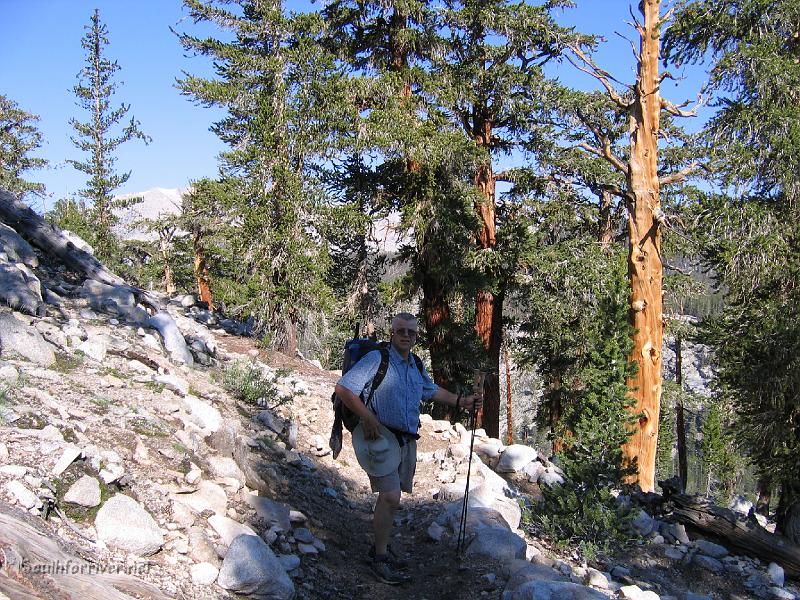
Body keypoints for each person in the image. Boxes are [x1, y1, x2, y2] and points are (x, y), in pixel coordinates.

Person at [334, 312, 482, 585]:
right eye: (401, 331)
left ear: (416, 336)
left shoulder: (415, 364)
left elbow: (431, 390)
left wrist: (461, 401)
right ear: (392, 333)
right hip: (378, 438)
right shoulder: (377, 359)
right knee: (390, 496)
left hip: (405, 441)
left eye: (411, 332)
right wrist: (367, 417)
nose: (405, 335)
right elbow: (344, 388)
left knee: (393, 498)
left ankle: (381, 547)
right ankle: (379, 558)